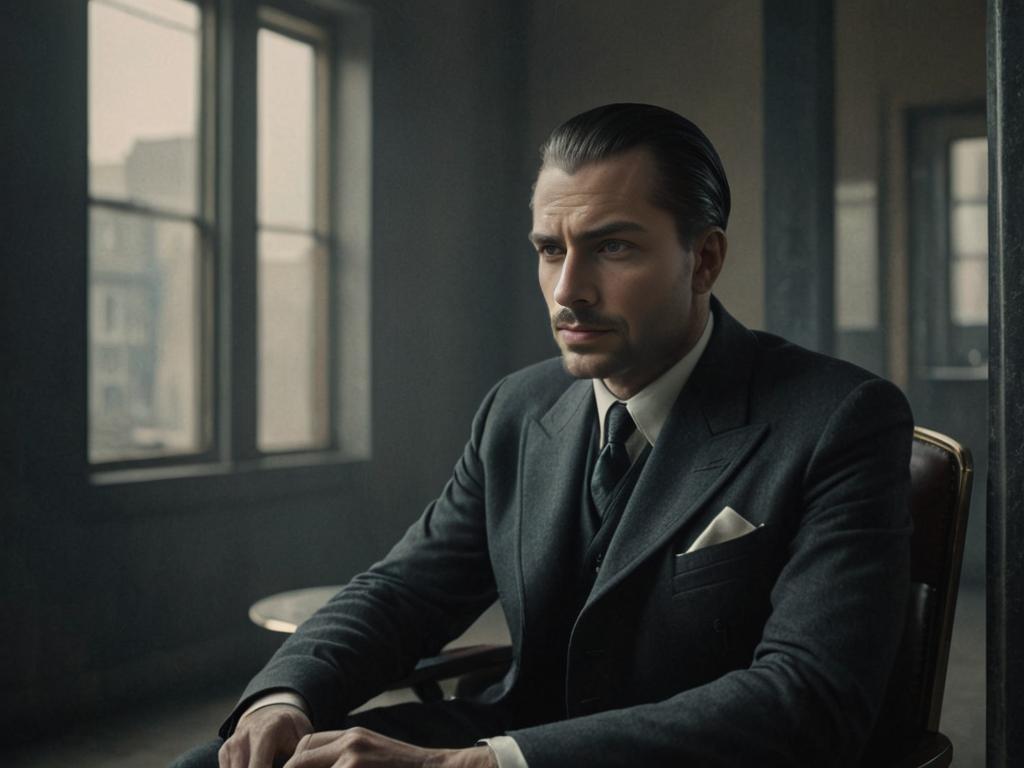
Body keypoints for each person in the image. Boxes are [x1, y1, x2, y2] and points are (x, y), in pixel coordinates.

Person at [173, 103, 913, 768]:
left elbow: (810, 698)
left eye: (612, 248)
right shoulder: (518, 409)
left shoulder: (841, 418)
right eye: (550, 249)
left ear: (705, 259)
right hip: (510, 731)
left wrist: (487, 765)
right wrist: (286, 693)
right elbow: (405, 590)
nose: (568, 290)